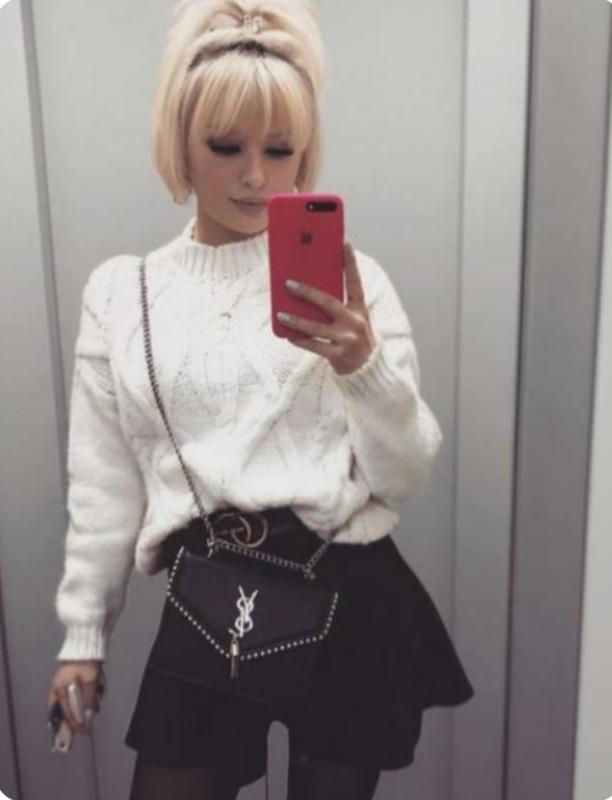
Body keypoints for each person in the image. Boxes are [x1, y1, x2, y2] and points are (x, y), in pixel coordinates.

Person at [47, 0, 475, 797]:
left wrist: (362, 368)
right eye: (226, 146)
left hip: (351, 590)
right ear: (181, 141)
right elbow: (105, 487)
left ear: (304, 152)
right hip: (213, 597)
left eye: (280, 149)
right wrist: (84, 635)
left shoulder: (354, 285)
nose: (253, 174)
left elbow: (406, 474)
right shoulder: (123, 295)